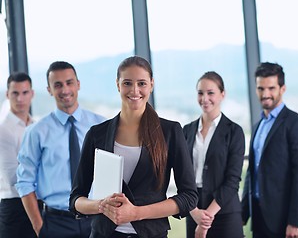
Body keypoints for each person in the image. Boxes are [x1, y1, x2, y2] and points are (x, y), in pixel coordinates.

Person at [69, 56, 198, 238]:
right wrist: (101, 205)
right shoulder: (96, 134)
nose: (135, 90)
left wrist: (136, 213)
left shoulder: (170, 132)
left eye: (142, 83)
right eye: (127, 83)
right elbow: (76, 199)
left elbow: (189, 196)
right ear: (118, 85)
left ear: (151, 85)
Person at [16, 61, 105, 238]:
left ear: (78, 84)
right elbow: (24, 182)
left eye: (69, 82)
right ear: (49, 89)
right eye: (57, 85)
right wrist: (39, 227)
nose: (64, 90)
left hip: (97, 217)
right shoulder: (37, 132)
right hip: (56, 223)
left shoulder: (101, 125)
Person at [241, 62, 298, 238]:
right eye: (260, 88)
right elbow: (253, 171)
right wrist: (243, 213)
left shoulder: (297, 124)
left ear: (283, 88)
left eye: (271, 88)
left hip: (286, 220)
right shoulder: (258, 126)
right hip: (259, 217)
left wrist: (296, 221)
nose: (265, 94)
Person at [183, 71, 245, 238]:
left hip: (224, 211)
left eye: (211, 93)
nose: (205, 98)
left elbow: (233, 180)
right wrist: (195, 212)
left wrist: (206, 219)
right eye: (200, 93)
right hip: (194, 210)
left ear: (222, 95)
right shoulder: (187, 131)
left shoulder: (234, 132)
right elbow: (182, 175)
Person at [0, 72, 36, 238]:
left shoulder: (36, 126)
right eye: (15, 93)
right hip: (14, 205)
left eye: (24, 92)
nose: (20, 99)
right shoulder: (3, 130)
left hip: (37, 202)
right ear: (8, 95)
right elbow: (13, 177)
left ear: (32, 94)